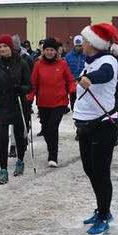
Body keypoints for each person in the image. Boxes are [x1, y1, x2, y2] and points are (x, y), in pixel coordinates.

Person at [72, 23, 118, 235]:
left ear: (93, 43)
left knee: (101, 172)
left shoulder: (107, 61)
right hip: (85, 125)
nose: (81, 43)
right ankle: (103, 208)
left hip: (102, 125)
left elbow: (106, 74)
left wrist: (90, 79)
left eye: (84, 40)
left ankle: (103, 218)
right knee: (90, 169)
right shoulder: (88, 62)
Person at [0, 34, 31, 184]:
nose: (2, 49)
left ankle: (20, 160)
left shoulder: (22, 64)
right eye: (0, 47)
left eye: (5, 46)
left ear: (11, 48)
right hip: (2, 105)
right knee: (1, 139)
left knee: (19, 135)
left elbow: (29, 85)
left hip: (18, 104)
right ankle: (3, 170)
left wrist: (20, 89)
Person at [29, 37, 76, 168]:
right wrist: (30, 99)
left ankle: (53, 155)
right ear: (43, 51)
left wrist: (72, 90)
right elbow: (33, 84)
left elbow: (70, 80)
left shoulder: (62, 64)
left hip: (59, 102)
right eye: (47, 50)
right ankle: (51, 148)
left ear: (56, 51)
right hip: (43, 102)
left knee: (52, 128)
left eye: (52, 50)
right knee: (45, 128)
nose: (49, 52)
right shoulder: (38, 65)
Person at [64, 36, 86, 110]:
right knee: (74, 103)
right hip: (72, 83)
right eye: (77, 46)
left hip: (83, 83)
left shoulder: (87, 56)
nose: (78, 48)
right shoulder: (68, 57)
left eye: (80, 46)